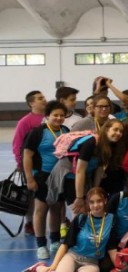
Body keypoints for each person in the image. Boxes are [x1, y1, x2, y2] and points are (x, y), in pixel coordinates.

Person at [24, 101, 71, 258]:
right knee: (41, 210)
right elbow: (27, 156)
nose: (58, 118)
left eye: (62, 115)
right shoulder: (37, 132)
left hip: (60, 177)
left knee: (56, 209)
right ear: (47, 116)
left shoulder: (66, 131)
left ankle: (55, 241)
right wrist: (30, 179)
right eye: (55, 115)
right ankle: (41, 245)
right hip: (42, 176)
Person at [41, 188, 120, 272]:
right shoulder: (81, 218)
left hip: (91, 263)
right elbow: (65, 244)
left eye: (99, 201)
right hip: (72, 257)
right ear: (88, 203)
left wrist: (119, 267)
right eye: (92, 202)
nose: (96, 205)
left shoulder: (111, 219)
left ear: (105, 200)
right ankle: (40, 268)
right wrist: (54, 265)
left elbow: (112, 247)